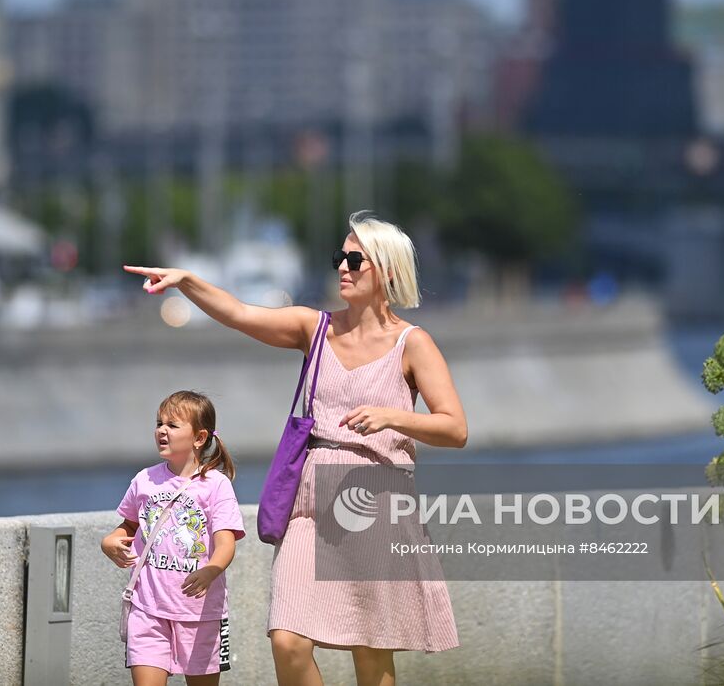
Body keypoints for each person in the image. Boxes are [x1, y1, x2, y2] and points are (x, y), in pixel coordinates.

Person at [124, 211, 466, 686]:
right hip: (309, 505)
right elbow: (242, 314)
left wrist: (393, 416)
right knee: (287, 638)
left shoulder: (413, 343)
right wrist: (188, 282)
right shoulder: (316, 328)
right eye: (338, 258)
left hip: (378, 503)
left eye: (354, 259)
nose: (341, 267)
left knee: (370, 652)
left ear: (386, 270)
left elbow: (454, 428)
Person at [103, 391, 246, 685]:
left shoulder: (216, 485)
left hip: (200, 613)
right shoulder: (145, 479)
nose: (161, 431)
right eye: (159, 423)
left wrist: (211, 570)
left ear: (199, 437)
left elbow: (226, 543)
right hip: (147, 609)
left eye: (172, 425)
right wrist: (110, 542)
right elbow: (128, 526)